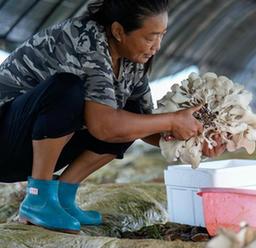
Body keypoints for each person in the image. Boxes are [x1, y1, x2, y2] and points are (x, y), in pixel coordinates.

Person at [0, 0, 226, 234]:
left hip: (32, 147)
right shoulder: (84, 38)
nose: (157, 47)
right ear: (118, 31)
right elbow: (104, 127)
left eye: (161, 36)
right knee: (67, 88)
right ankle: (39, 198)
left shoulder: (133, 61)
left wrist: (196, 142)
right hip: (5, 143)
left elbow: (148, 125)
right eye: (150, 37)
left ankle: (61, 194)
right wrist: (172, 120)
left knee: (133, 115)